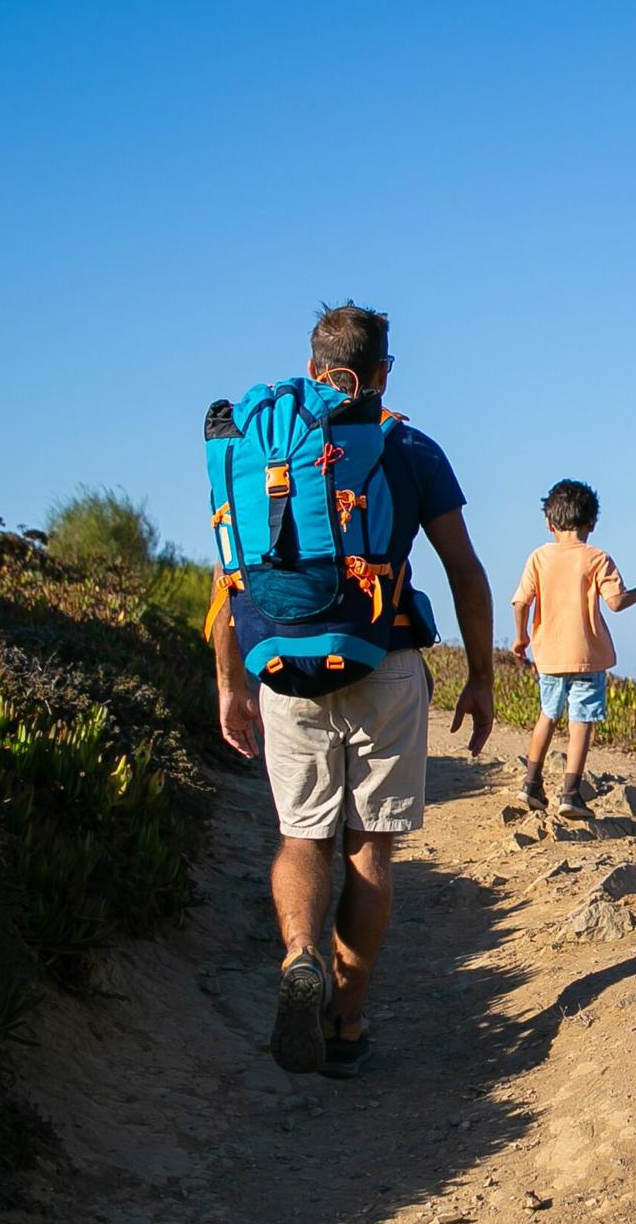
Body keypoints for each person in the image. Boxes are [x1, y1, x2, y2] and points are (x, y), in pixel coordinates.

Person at [210, 303, 495, 1079]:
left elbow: (230, 574)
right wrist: (479, 678)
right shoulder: (410, 447)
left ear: (312, 367)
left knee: (302, 838)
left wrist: (230, 683)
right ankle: (344, 1023)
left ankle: (300, 953)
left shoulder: (259, 447)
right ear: (383, 374)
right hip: (383, 663)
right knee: (370, 850)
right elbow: (466, 572)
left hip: (282, 667)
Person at [509, 479, 636, 820]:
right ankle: (570, 794)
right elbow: (616, 602)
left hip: (549, 655)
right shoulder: (597, 558)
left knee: (547, 715)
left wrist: (521, 637)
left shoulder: (539, 557)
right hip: (587, 657)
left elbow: (520, 602)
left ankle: (531, 784)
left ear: (549, 523)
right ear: (592, 523)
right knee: (581, 722)